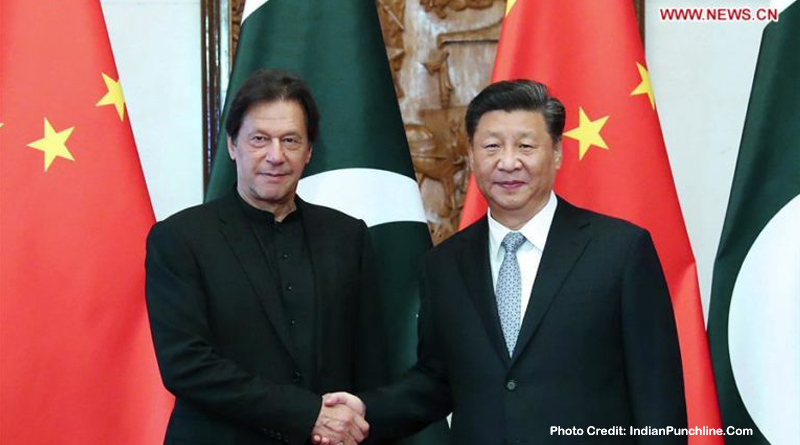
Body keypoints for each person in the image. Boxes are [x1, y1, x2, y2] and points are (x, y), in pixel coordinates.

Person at [322, 79, 687, 444]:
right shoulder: (443, 265)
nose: (508, 162)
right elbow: (437, 381)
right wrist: (365, 412)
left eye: (526, 146)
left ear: (557, 151)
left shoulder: (620, 251)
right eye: (492, 146)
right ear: (471, 153)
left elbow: (656, 392)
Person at [145, 70, 385, 445]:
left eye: (290, 140)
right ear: (232, 145)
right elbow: (186, 366)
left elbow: (371, 363)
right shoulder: (179, 239)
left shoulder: (348, 236)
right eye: (259, 139)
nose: (276, 156)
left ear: (309, 152)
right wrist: (307, 415)